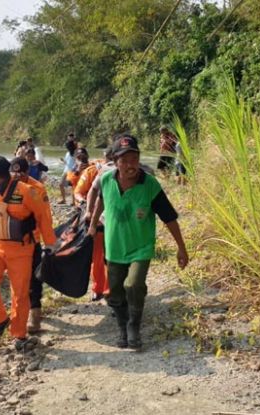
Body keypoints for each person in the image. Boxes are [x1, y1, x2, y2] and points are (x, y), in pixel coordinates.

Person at [88, 135, 189, 350]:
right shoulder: (106, 180)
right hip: (114, 248)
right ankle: (122, 326)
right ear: (115, 161)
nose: (129, 165)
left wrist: (181, 247)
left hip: (141, 248)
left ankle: (134, 325)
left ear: (139, 159)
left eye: (134, 159)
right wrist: (92, 223)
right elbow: (101, 199)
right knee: (114, 293)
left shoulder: (150, 184)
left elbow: (169, 217)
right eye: (124, 160)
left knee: (132, 285)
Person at [0, 156, 57, 350]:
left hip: (21, 249)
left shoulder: (27, 192)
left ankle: (19, 335)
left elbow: (43, 216)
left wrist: (50, 243)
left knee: (20, 293)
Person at [9, 157, 50, 333]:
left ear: (28, 172)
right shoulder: (6, 185)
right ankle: (17, 315)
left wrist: (50, 243)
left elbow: (45, 217)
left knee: (34, 278)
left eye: (22, 173)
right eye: (14, 172)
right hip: (11, 242)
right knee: (16, 280)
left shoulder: (37, 189)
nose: (18, 176)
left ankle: (35, 314)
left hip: (32, 241)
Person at [75, 149, 112, 302]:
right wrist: (87, 209)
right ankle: (98, 288)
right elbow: (80, 192)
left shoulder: (131, 172)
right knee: (97, 257)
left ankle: (111, 289)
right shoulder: (92, 172)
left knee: (113, 258)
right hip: (97, 221)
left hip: (116, 221)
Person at [58, 139, 78, 204]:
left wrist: (75, 169)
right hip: (66, 171)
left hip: (72, 172)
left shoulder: (76, 153)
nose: (67, 147)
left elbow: (77, 162)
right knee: (61, 184)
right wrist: (63, 160)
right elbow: (67, 162)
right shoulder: (67, 153)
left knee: (72, 186)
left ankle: (73, 201)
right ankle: (64, 199)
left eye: (67, 146)